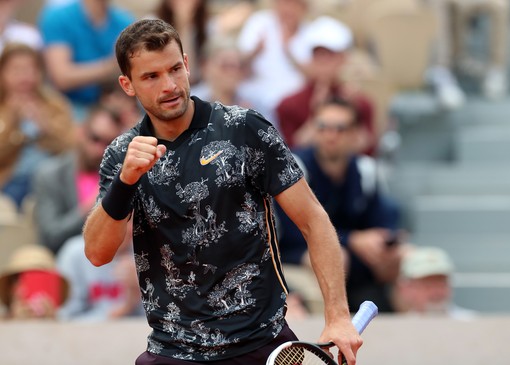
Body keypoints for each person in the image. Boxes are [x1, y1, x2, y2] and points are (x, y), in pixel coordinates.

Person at [83, 19, 362, 365]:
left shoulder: (244, 129)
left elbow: (314, 221)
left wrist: (337, 316)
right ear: (128, 85)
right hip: (172, 351)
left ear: (187, 64)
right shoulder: (121, 154)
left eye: (174, 69)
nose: (169, 85)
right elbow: (97, 252)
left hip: (261, 344)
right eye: (151, 77)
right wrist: (125, 182)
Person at [276, 96, 404, 313]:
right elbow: (292, 232)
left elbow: (383, 216)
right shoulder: (295, 168)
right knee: (334, 256)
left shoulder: (365, 169)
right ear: (313, 130)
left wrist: (386, 239)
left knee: (401, 255)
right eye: (323, 127)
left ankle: (412, 328)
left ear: (356, 134)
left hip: (350, 256)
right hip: (296, 252)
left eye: (340, 128)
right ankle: (331, 327)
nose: (330, 135)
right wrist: (352, 239)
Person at [275, 15, 376, 155]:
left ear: (343, 58)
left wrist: (353, 111)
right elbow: (292, 155)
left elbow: (367, 151)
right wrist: (316, 114)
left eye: (330, 55)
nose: (323, 62)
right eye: (318, 55)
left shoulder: (361, 104)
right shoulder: (288, 105)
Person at [32, 104, 125, 254]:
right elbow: (50, 237)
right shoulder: (51, 174)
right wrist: (89, 207)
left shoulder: (122, 176)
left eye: (109, 143)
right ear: (81, 132)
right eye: (95, 139)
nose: (100, 149)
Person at [0, 42, 75, 209]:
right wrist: (13, 125)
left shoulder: (55, 104)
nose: (24, 76)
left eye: (29, 69)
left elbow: (71, 146)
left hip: (51, 181)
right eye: (16, 70)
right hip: (10, 182)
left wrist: (45, 128)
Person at [37, 0, 134, 121]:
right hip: (69, 108)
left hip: (111, 106)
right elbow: (61, 78)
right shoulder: (59, 17)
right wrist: (111, 66)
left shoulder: (124, 21)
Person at [237, 0, 314, 124]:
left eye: (295, 4)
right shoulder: (259, 22)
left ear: (304, 8)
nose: (289, 9)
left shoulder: (311, 31)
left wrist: (289, 52)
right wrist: (255, 51)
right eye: (285, 3)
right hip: (256, 97)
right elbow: (239, 62)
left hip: (292, 104)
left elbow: (314, 75)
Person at [57, 219, 144, 321]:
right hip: (86, 334)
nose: (130, 229)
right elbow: (66, 318)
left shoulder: (146, 254)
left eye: (135, 221)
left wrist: (143, 286)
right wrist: (121, 311)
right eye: (123, 221)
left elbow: (159, 323)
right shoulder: (74, 254)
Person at [391, 246, 476, 319]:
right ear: (406, 288)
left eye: (441, 284)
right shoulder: (399, 326)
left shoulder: (473, 322)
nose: (436, 292)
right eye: (427, 285)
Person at [0, 244, 70, 320]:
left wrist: (52, 324)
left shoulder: (65, 324)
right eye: (18, 279)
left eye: (41, 282)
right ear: (9, 287)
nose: (24, 289)